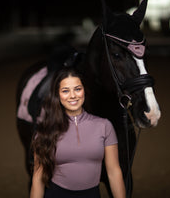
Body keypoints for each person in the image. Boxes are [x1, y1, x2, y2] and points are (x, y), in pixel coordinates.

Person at [30, 67, 126, 198]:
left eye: (77, 89)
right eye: (65, 91)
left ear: (84, 91)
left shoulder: (104, 126)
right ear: (57, 94)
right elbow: (38, 177)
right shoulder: (46, 129)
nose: (73, 95)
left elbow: (114, 172)